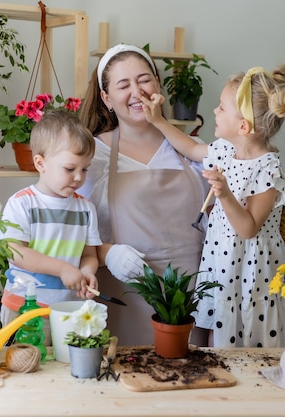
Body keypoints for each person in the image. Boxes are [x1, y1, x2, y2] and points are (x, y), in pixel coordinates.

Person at [141, 65, 285, 348]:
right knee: (220, 328)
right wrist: (158, 121)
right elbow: (190, 148)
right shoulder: (225, 150)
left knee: (249, 334)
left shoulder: (267, 170)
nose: (214, 111)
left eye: (221, 107)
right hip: (223, 262)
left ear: (243, 126)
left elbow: (248, 228)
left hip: (252, 271)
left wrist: (225, 195)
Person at [78, 43, 210, 346]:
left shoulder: (193, 150)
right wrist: (107, 253)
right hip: (126, 298)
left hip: (194, 301)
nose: (136, 92)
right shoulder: (91, 156)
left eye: (144, 80)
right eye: (123, 85)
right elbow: (69, 233)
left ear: (158, 84)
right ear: (107, 99)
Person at [0, 108, 102, 342]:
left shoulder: (85, 209)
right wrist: (63, 269)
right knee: (28, 367)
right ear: (40, 163)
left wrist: (86, 272)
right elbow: (15, 252)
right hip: (26, 308)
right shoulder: (21, 203)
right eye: (70, 169)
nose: (78, 177)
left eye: (84, 169)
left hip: (70, 310)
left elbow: (89, 254)